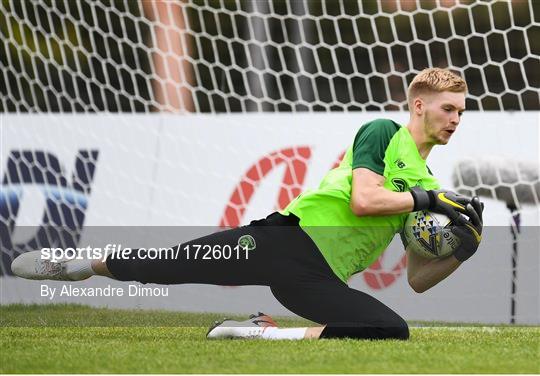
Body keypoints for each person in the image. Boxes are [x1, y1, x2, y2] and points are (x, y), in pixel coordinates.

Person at [11, 68, 483, 341]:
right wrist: (426, 198)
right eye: (449, 108)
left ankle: (259, 332)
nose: (456, 119)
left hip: (316, 280)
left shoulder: (427, 186)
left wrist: (463, 248)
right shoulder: (384, 133)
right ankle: (76, 265)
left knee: (391, 330)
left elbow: (419, 280)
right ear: (419, 105)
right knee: (167, 265)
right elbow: (363, 200)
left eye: (461, 111)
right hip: (285, 242)